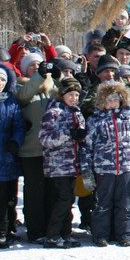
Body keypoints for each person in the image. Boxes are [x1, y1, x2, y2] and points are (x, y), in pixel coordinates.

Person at [81, 82, 130, 247]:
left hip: (126, 167)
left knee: (124, 204)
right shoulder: (95, 120)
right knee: (102, 204)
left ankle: (125, 234)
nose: (111, 103)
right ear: (102, 101)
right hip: (103, 168)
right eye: (108, 100)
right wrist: (86, 171)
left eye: (115, 99)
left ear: (121, 100)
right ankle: (100, 235)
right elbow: (86, 147)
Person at [37, 77, 85, 248]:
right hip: (57, 165)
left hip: (73, 164)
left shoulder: (76, 112)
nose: (74, 98)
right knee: (63, 199)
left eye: (76, 95)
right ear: (63, 94)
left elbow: (79, 135)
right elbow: (44, 139)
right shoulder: (53, 112)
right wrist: (67, 134)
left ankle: (65, 233)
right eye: (70, 94)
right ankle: (53, 234)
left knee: (69, 199)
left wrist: (81, 137)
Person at [16, 52, 58, 243]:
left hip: (52, 150)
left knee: (51, 191)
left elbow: (66, 98)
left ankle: (51, 228)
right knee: (34, 191)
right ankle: (35, 230)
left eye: (39, 65)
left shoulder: (51, 88)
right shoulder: (20, 85)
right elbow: (23, 97)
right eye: (31, 65)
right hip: (31, 149)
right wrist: (39, 76)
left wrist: (62, 77)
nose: (36, 68)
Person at [0, 61, 25, 248]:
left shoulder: (11, 102)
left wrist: (15, 141)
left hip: (7, 156)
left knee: (7, 197)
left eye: (3, 80)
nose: (0, 83)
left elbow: (19, 126)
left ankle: (4, 231)